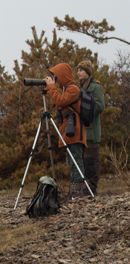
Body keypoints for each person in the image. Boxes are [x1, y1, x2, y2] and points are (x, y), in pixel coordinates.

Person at [44, 63, 87, 200]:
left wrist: (52, 87)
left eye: (57, 76)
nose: (55, 79)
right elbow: (58, 102)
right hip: (69, 131)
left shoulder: (73, 89)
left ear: (63, 75)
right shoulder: (65, 89)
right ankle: (73, 192)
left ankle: (77, 192)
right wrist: (51, 88)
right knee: (71, 163)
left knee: (76, 161)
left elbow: (60, 101)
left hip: (75, 132)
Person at [76, 60, 105, 196]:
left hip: (92, 134)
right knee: (84, 163)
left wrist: (86, 106)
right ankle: (84, 190)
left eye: (81, 70)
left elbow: (100, 106)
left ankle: (91, 190)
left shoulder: (94, 87)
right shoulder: (81, 88)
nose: (79, 72)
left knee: (92, 164)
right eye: (78, 70)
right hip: (82, 134)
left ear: (88, 72)